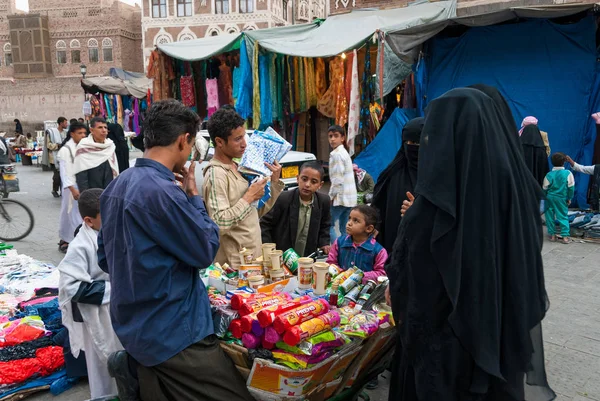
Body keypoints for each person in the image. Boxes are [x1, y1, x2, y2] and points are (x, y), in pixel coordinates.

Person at [386, 88, 555, 401]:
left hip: (444, 361)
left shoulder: (430, 208)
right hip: (500, 345)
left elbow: (408, 288)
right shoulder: (518, 195)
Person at [98, 100, 252, 401]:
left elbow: (106, 258)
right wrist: (194, 197)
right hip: (174, 331)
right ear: (184, 140)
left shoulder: (118, 185)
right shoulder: (163, 191)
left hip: (135, 326)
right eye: (192, 144)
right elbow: (205, 249)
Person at [58, 188, 122, 399]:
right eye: (108, 215)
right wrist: (118, 288)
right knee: (102, 367)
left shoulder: (108, 231)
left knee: (121, 360)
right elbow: (72, 288)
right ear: (89, 220)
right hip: (97, 315)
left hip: (117, 310)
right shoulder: (80, 246)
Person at [203, 107, 283, 269]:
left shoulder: (237, 167)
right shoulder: (216, 173)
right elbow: (218, 224)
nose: (244, 144)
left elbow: (254, 213)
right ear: (219, 142)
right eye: (237, 139)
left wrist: (274, 184)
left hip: (253, 261)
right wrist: (248, 198)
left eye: (244, 137)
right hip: (234, 268)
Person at [372, 117, 423, 252]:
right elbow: (378, 203)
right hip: (393, 239)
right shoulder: (393, 172)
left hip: (423, 243)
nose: (412, 147)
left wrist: (418, 211)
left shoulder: (438, 176)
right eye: (408, 142)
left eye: (418, 143)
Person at [260, 161, 331, 257]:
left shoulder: (323, 201)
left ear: (320, 185)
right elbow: (265, 224)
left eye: (313, 182)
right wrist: (270, 250)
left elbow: (325, 225)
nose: (307, 184)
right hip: (282, 256)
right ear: (297, 179)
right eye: (304, 179)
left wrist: (324, 243)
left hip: (307, 256)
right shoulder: (283, 199)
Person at [326, 205, 387, 284]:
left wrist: (357, 276)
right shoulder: (339, 242)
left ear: (369, 228)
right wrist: (340, 273)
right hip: (338, 286)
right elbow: (331, 262)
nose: (349, 223)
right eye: (349, 218)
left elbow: (381, 274)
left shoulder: (379, 251)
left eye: (356, 221)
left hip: (365, 292)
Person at [57, 122, 88, 253]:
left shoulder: (84, 147)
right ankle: (68, 240)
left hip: (82, 185)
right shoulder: (66, 150)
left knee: (79, 215)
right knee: (70, 215)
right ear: (72, 134)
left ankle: (74, 240)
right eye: (79, 133)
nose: (83, 136)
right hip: (71, 187)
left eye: (84, 133)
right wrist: (72, 189)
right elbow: (64, 172)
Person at [328, 125, 357, 241]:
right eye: (330, 136)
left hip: (340, 198)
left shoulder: (337, 155)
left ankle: (336, 249)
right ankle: (345, 250)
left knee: (328, 225)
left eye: (336, 136)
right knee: (345, 228)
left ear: (342, 138)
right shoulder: (344, 152)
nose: (332, 139)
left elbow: (337, 180)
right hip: (349, 199)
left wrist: (331, 197)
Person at [75, 117, 119, 191]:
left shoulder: (110, 146)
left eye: (105, 127)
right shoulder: (84, 147)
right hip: (91, 191)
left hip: (109, 189)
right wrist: (85, 194)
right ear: (91, 130)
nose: (104, 130)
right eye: (100, 127)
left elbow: (114, 167)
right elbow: (81, 174)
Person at [544, 153, 575, 244]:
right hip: (561, 198)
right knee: (562, 216)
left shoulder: (549, 175)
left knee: (549, 216)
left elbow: (544, 188)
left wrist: (545, 197)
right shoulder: (568, 173)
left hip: (549, 197)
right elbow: (571, 188)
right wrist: (569, 198)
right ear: (564, 162)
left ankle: (552, 236)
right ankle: (565, 237)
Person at [45, 117, 69, 198]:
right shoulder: (51, 133)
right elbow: (48, 145)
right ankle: (54, 190)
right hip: (54, 157)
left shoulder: (66, 133)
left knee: (65, 175)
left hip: (64, 156)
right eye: (65, 123)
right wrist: (58, 145)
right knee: (57, 176)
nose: (67, 124)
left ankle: (63, 190)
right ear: (61, 123)